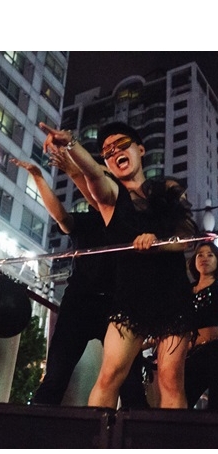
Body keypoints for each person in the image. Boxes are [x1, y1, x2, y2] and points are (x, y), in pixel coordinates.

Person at [40, 120, 199, 409]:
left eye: (122, 145)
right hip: (130, 297)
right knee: (109, 376)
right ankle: (98, 435)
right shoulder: (111, 196)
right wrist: (71, 144)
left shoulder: (168, 187)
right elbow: (91, 173)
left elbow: (187, 238)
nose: (115, 152)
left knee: (170, 380)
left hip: (172, 294)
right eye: (107, 152)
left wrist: (157, 243)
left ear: (140, 149)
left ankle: (173, 439)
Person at [9, 155, 148, 409]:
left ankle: (135, 432)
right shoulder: (88, 219)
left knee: (130, 384)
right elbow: (61, 217)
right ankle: (33, 428)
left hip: (119, 305)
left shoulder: (130, 220)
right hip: (80, 302)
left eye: (106, 177)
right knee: (55, 377)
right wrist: (38, 178)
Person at [185, 242, 218, 409]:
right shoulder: (186, 291)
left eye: (210, 255)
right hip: (188, 354)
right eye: (200, 255)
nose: (205, 258)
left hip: (213, 352)